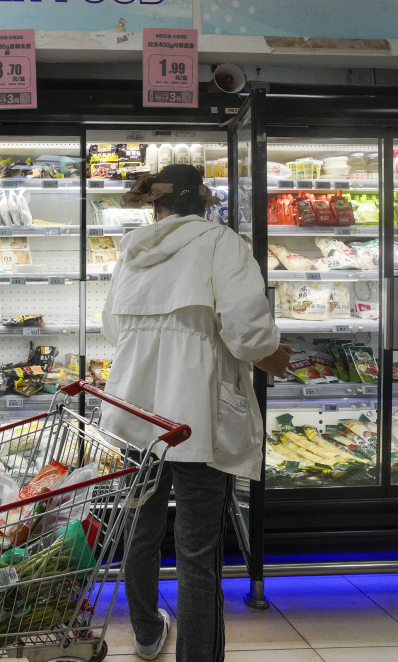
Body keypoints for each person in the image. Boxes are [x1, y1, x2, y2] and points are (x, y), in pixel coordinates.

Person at [99, 164, 291, 662]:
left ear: (156, 207)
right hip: (196, 417)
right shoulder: (221, 242)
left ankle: (146, 633)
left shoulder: (132, 250)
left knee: (140, 531)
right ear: (204, 204)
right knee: (197, 552)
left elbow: (112, 330)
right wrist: (274, 356)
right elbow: (247, 331)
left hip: (135, 412)